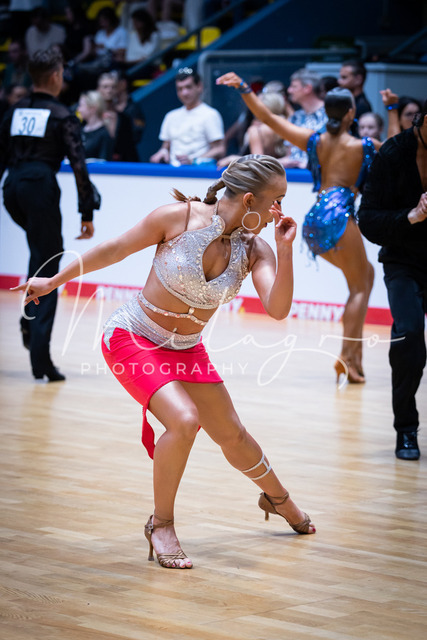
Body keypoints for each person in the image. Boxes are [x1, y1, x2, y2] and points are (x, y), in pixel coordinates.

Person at [12, 154, 316, 568]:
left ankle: (278, 499)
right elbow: (114, 249)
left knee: (233, 436)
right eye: (275, 200)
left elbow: (278, 309)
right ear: (249, 200)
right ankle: (162, 524)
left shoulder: (255, 249)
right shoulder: (177, 217)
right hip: (132, 336)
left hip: (186, 348)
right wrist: (53, 281)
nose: (279, 210)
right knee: (184, 420)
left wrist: (285, 249)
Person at [217, 73, 384, 383]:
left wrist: (244, 88)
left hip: (314, 218)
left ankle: (354, 358)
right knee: (360, 287)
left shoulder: (315, 140)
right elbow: (403, 151)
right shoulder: (365, 145)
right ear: (351, 113)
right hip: (339, 215)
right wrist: (395, 112)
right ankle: (348, 358)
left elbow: (269, 117)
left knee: (366, 277)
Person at [0, 46, 101, 381]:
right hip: (40, 189)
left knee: (40, 254)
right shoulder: (62, 115)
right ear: (56, 75)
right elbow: (79, 166)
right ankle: (40, 358)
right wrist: (87, 212)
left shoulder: (14, 111)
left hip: (12, 190)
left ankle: (29, 320)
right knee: (48, 263)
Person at [358, 100, 427, 461]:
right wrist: (411, 216)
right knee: (409, 336)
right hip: (403, 260)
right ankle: (406, 429)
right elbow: (368, 219)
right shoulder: (392, 154)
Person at [150, 66, 225, 166]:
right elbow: (165, 147)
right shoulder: (171, 116)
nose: (184, 93)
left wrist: (194, 160)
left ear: (199, 86)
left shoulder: (210, 114)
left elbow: (220, 149)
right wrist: (162, 152)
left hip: (198, 171)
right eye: (180, 89)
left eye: (188, 87)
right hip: (173, 170)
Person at [281, 68, 327, 168]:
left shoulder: (329, 114)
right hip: (294, 174)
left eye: (294, 86)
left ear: (307, 88)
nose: (289, 90)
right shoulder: (295, 117)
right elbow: (289, 156)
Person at [338, 59, 372, 136]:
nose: (339, 81)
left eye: (344, 77)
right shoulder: (351, 102)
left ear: (358, 79)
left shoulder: (362, 107)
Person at [77, 90, 114, 161]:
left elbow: (104, 161)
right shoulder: (80, 129)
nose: (79, 109)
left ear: (93, 109)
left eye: (81, 105)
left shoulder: (104, 134)